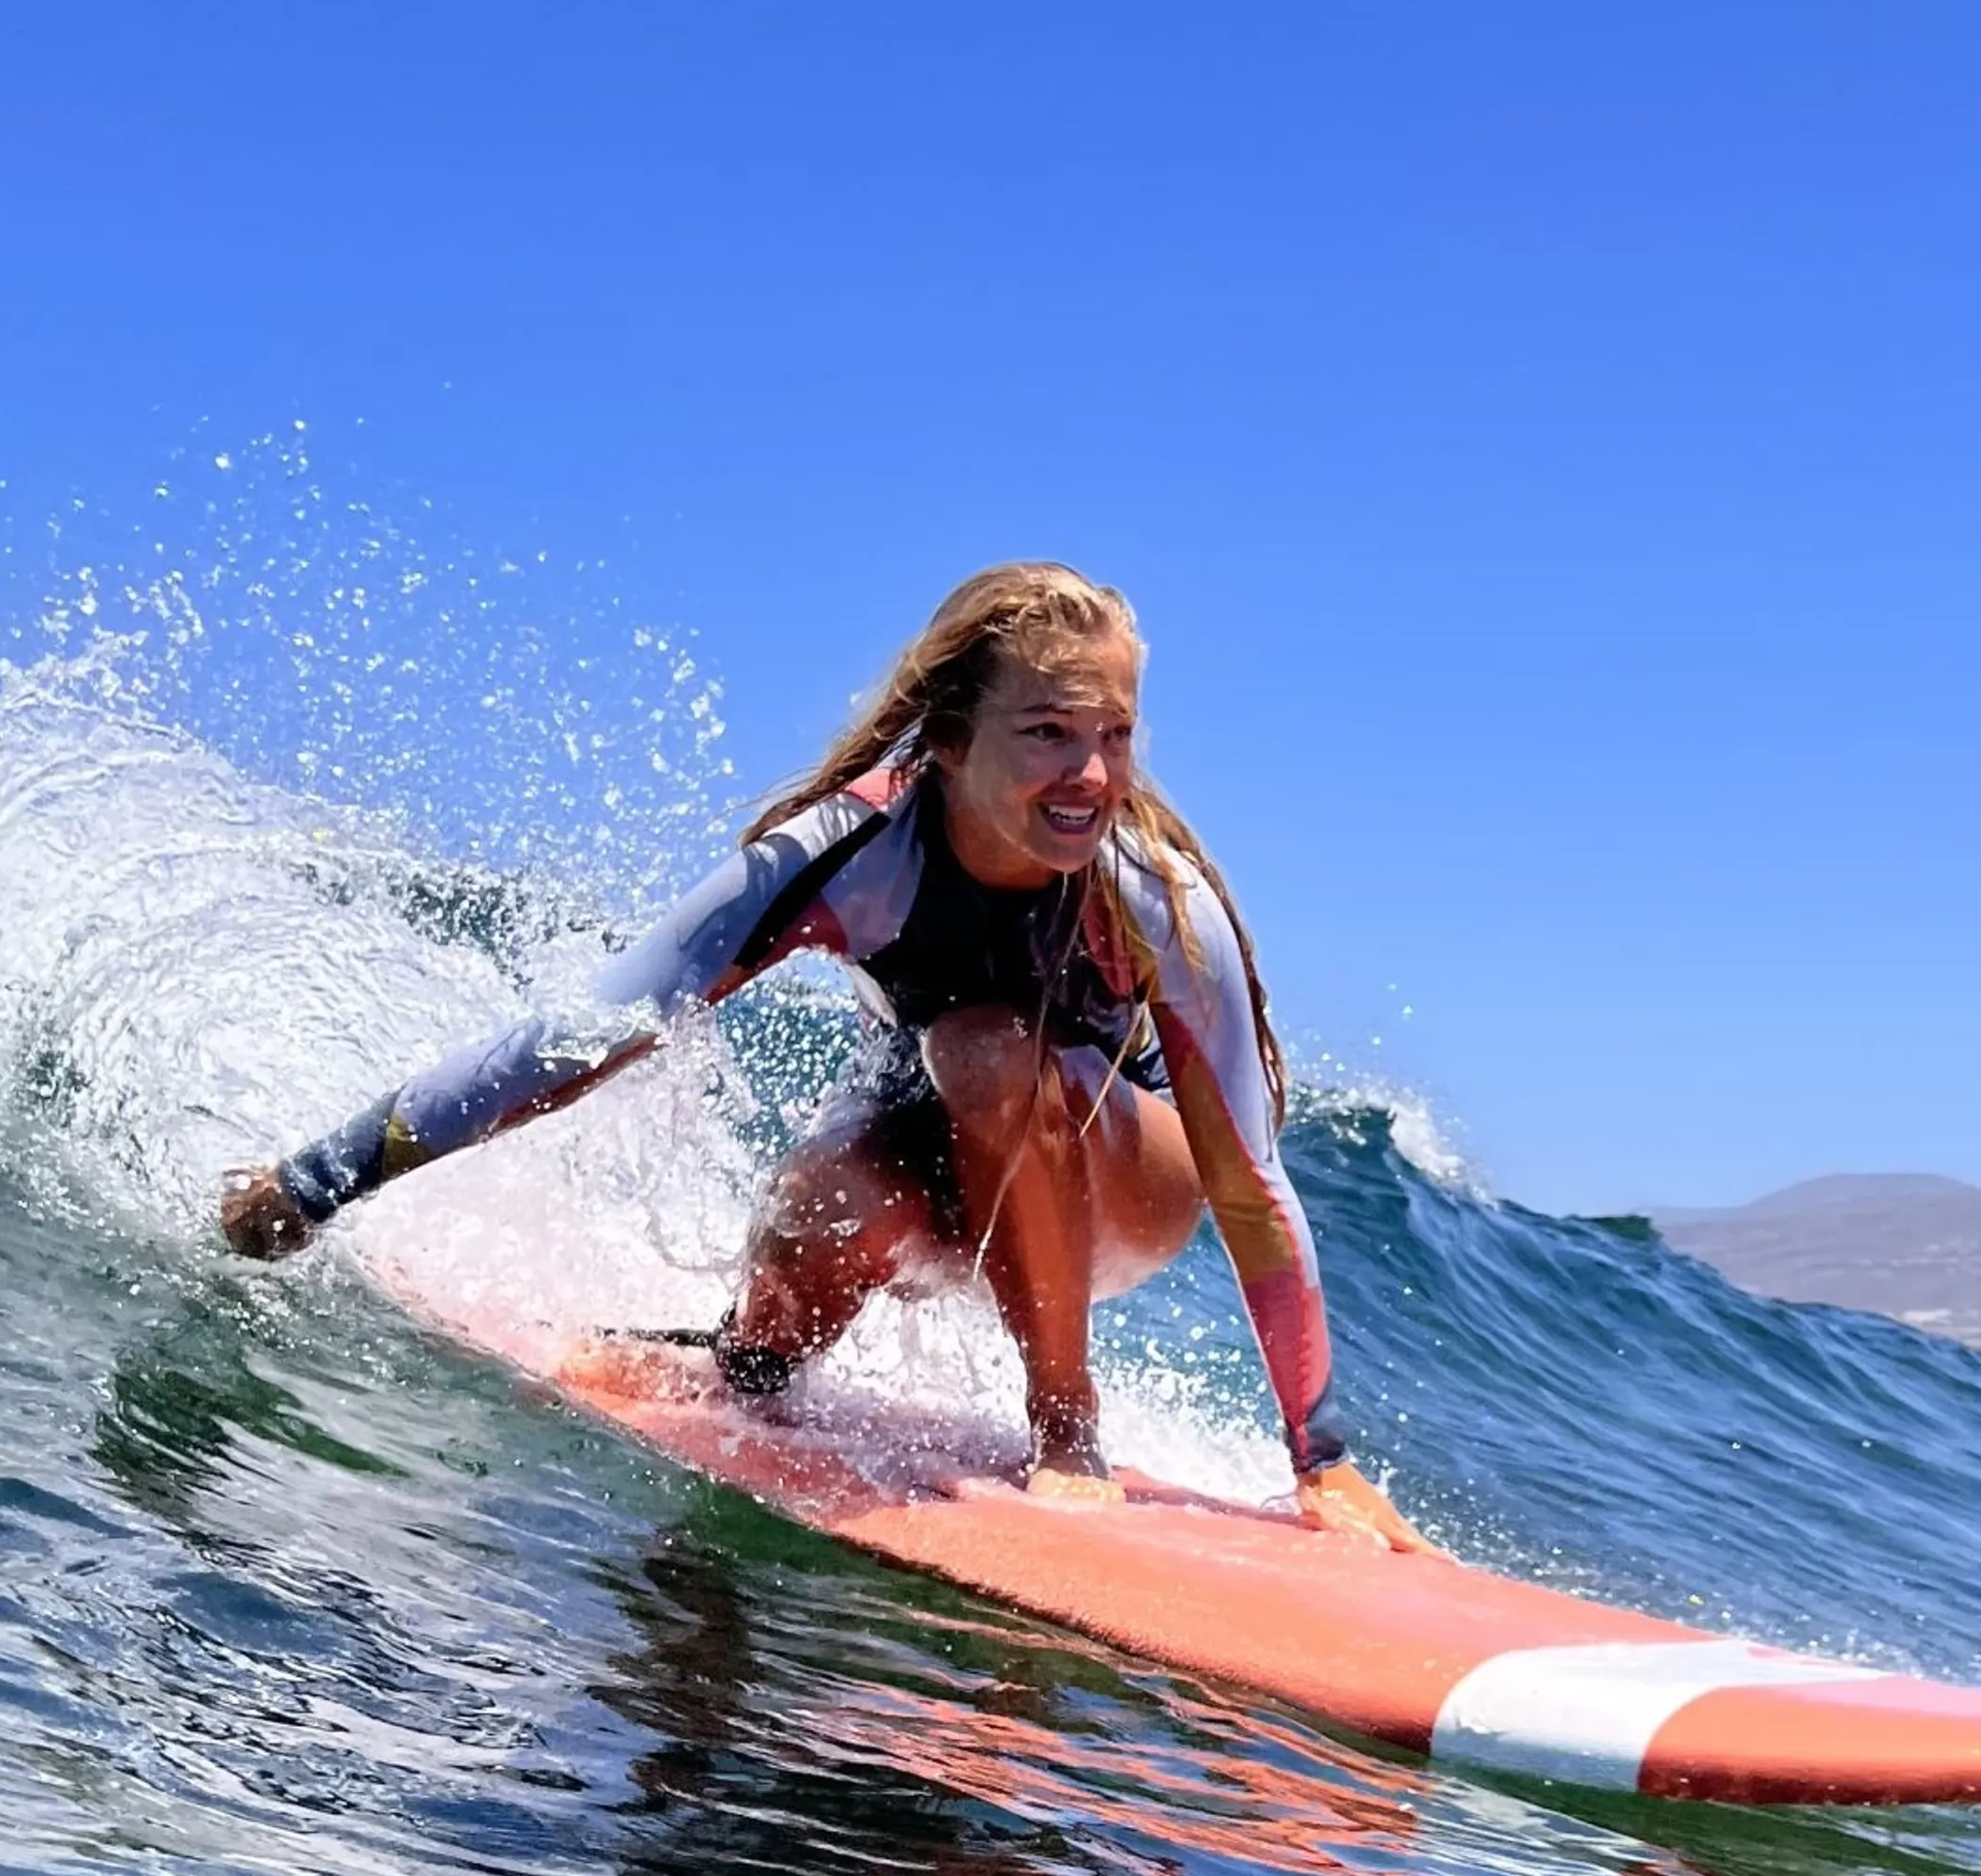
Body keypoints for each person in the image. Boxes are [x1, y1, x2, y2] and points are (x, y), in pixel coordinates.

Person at [216, 565, 1413, 1536]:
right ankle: (747, 1366)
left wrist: (1323, 1457)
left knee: (990, 1049)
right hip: (945, 1136)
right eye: (1048, 731)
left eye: (1113, 734)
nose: (1090, 774)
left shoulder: (1152, 892)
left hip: (1118, 1176)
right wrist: (319, 1181)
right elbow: (584, 1035)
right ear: (949, 736)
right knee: (819, 1205)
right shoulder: (844, 853)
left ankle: (1065, 1421)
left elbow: (1249, 1185)